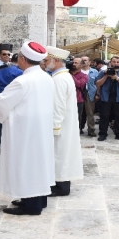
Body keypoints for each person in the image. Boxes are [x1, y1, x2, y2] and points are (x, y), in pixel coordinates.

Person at [0, 41, 55, 216]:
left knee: (26, 164)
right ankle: (36, 199)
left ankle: (31, 206)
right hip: (41, 128)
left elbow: (1, 102)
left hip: (25, 131)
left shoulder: (22, 81)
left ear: (22, 58)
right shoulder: (46, 77)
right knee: (39, 164)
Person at [43, 47, 84, 196]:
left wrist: (54, 127)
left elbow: (57, 105)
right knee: (61, 156)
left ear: (57, 60)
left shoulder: (59, 79)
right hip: (64, 124)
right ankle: (59, 184)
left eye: (47, 60)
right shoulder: (62, 76)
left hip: (60, 126)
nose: (45, 63)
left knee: (59, 156)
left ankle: (60, 187)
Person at [95, 56, 119, 141]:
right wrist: (106, 75)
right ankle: (103, 134)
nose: (116, 63)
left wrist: (117, 78)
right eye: (114, 62)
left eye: (118, 62)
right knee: (104, 116)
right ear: (110, 63)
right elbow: (97, 83)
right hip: (106, 97)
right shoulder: (103, 72)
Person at [79, 56, 99, 137]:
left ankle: (91, 130)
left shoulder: (94, 72)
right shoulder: (77, 71)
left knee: (90, 113)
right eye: (82, 60)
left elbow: (97, 84)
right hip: (80, 93)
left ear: (89, 62)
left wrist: (97, 94)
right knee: (79, 112)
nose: (84, 61)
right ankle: (79, 128)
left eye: (85, 60)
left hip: (90, 93)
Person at [69, 57, 88, 133]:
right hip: (67, 98)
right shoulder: (66, 72)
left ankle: (76, 132)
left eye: (76, 63)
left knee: (77, 117)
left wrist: (69, 75)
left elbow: (79, 84)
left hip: (78, 99)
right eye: (73, 62)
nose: (73, 64)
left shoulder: (84, 76)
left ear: (81, 65)